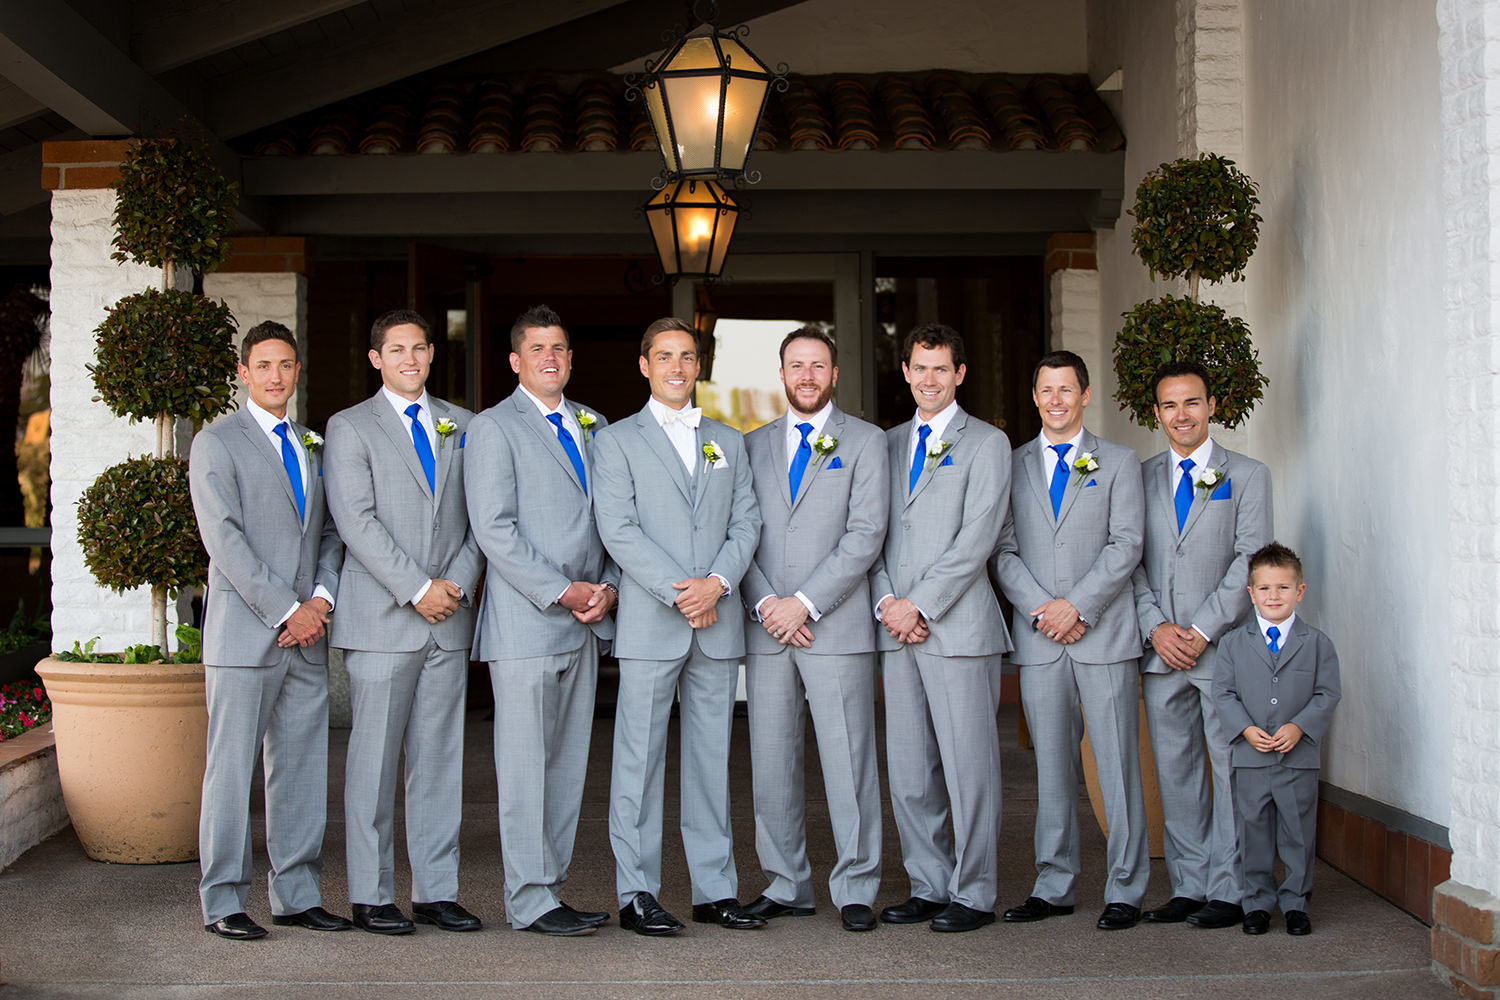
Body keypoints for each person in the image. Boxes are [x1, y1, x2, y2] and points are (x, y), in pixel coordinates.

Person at [592, 317, 764, 935]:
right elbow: (619, 530)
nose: (675, 367)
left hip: (715, 622)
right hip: (653, 622)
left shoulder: (727, 439)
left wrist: (716, 584)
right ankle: (637, 893)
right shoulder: (614, 442)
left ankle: (715, 889)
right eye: (664, 356)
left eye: (686, 356)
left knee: (711, 759)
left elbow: (747, 523)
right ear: (644, 365)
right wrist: (683, 593)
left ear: (699, 366)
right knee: (637, 761)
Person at [323, 309, 483, 936]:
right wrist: (418, 588)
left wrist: (457, 584)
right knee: (374, 759)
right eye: (397, 350)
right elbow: (356, 522)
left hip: (448, 617)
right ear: (376, 359)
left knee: (439, 761)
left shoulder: (463, 425)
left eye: (419, 349)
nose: (411, 360)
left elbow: (479, 517)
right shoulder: (348, 427)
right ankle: (369, 892)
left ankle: (436, 891)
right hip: (385, 618)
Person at [190, 320, 347, 940]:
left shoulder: (310, 442)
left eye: (286, 365)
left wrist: (322, 600)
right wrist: (289, 609)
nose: (276, 376)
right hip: (247, 636)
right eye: (264, 366)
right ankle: (224, 899)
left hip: (308, 637)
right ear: (244, 373)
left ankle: (297, 894)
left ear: (296, 371)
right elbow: (223, 539)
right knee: (230, 771)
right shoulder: (217, 442)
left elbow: (331, 533)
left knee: (302, 768)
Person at [464, 305, 617, 937]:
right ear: (515, 361)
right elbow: (493, 529)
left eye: (559, 347)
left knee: (566, 766)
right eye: (537, 349)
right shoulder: (493, 428)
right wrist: (563, 590)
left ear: (571, 358)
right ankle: (526, 898)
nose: (550, 357)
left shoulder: (595, 424)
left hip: (587, 620)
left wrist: (606, 587)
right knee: (525, 768)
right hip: (529, 621)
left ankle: (550, 890)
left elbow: (613, 518)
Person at [739, 328, 889, 933]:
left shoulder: (868, 442)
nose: (807, 375)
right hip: (767, 625)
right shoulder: (750, 446)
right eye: (796, 365)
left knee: (849, 761)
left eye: (818, 365)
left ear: (834, 373)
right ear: (781, 374)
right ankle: (785, 883)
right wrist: (766, 605)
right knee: (770, 761)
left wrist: (804, 603)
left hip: (835, 624)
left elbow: (866, 533)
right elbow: (737, 533)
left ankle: (855, 885)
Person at [994, 349, 1150, 931]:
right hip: (1040, 640)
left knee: (1116, 767)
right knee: (1051, 768)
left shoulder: (1119, 461)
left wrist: (1077, 607)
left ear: (1086, 395)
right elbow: (1002, 550)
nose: (1055, 400)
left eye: (1067, 389)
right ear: (1034, 398)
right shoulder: (1010, 465)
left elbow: (1126, 544)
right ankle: (1053, 883)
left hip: (1103, 634)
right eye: (1045, 390)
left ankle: (1126, 888)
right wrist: (1044, 611)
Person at [871, 323, 1012, 933]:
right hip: (894, 627)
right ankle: (928, 884)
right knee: (908, 769)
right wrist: (886, 605)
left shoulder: (987, 443)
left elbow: (976, 538)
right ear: (905, 372)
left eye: (941, 369)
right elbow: (866, 533)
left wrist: (919, 605)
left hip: (955, 629)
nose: (929, 379)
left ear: (959, 375)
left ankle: (974, 891)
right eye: (919, 368)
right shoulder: (885, 443)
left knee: (968, 768)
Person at [1132, 361, 1272, 929]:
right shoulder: (1136, 477)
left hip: (1223, 648)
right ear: (1157, 413)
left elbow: (1251, 558)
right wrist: (1156, 628)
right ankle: (1189, 885)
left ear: (1212, 406)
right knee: (1177, 772)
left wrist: (1201, 630)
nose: (1180, 415)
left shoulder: (1248, 473)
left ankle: (1230, 887)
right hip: (1161, 650)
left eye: (1191, 403)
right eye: (1169, 405)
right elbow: (1127, 558)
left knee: (1230, 766)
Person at [1212, 542, 1341, 936]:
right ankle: (1257, 903)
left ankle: (1297, 903)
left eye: (1283, 588)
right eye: (1265, 589)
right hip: (1251, 758)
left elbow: (1327, 693)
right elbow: (1223, 693)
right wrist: (1247, 730)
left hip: (1297, 758)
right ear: (1251, 593)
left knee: (1298, 832)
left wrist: (1300, 726)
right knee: (1253, 831)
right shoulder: (1234, 643)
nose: (1273, 596)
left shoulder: (1317, 644)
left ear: (1299, 591)